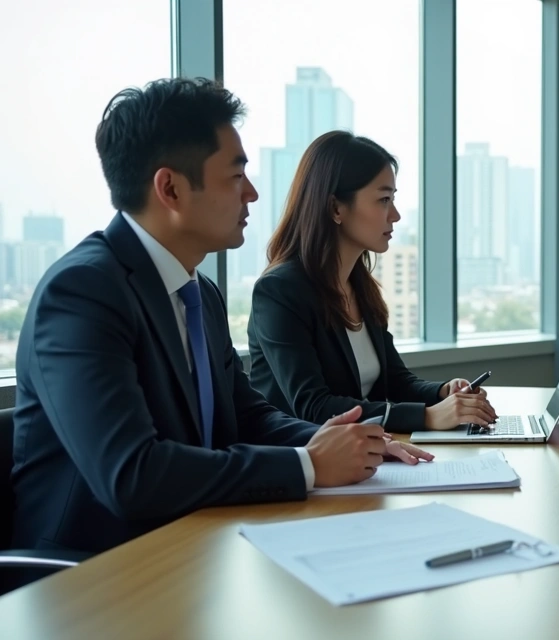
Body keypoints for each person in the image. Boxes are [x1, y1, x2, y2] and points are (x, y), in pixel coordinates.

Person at [10, 78, 421, 559]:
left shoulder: (198, 292)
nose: (252, 193)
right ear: (171, 189)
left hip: (197, 546)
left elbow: (248, 415)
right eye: (235, 176)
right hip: (95, 573)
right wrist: (307, 465)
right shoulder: (82, 292)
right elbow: (132, 475)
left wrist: (345, 444)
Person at [247, 131, 497, 435]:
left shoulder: (359, 285)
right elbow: (314, 407)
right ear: (336, 208)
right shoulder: (280, 291)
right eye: (383, 200)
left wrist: (443, 393)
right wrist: (429, 417)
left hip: (364, 453)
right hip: (304, 463)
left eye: (393, 199)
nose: (395, 215)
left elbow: (395, 381)